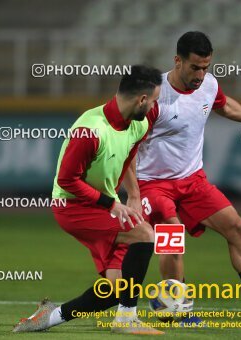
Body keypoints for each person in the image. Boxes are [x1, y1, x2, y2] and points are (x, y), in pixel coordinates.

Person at [123, 32, 241, 326]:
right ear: (177, 61)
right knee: (172, 237)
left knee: (236, 226)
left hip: (192, 180)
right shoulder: (154, 96)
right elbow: (127, 148)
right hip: (154, 184)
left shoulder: (209, 85)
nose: (201, 74)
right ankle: (176, 309)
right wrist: (135, 196)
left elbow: (225, 106)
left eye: (206, 67)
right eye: (194, 67)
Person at [13, 65, 164, 335]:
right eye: (154, 100)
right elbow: (66, 180)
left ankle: (49, 317)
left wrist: (134, 195)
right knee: (145, 234)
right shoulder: (90, 130)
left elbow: (129, 154)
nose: (156, 105)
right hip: (72, 207)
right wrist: (112, 204)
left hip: (104, 204)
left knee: (117, 289)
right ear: (141, 99)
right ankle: (127, 319)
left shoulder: (139, 123)